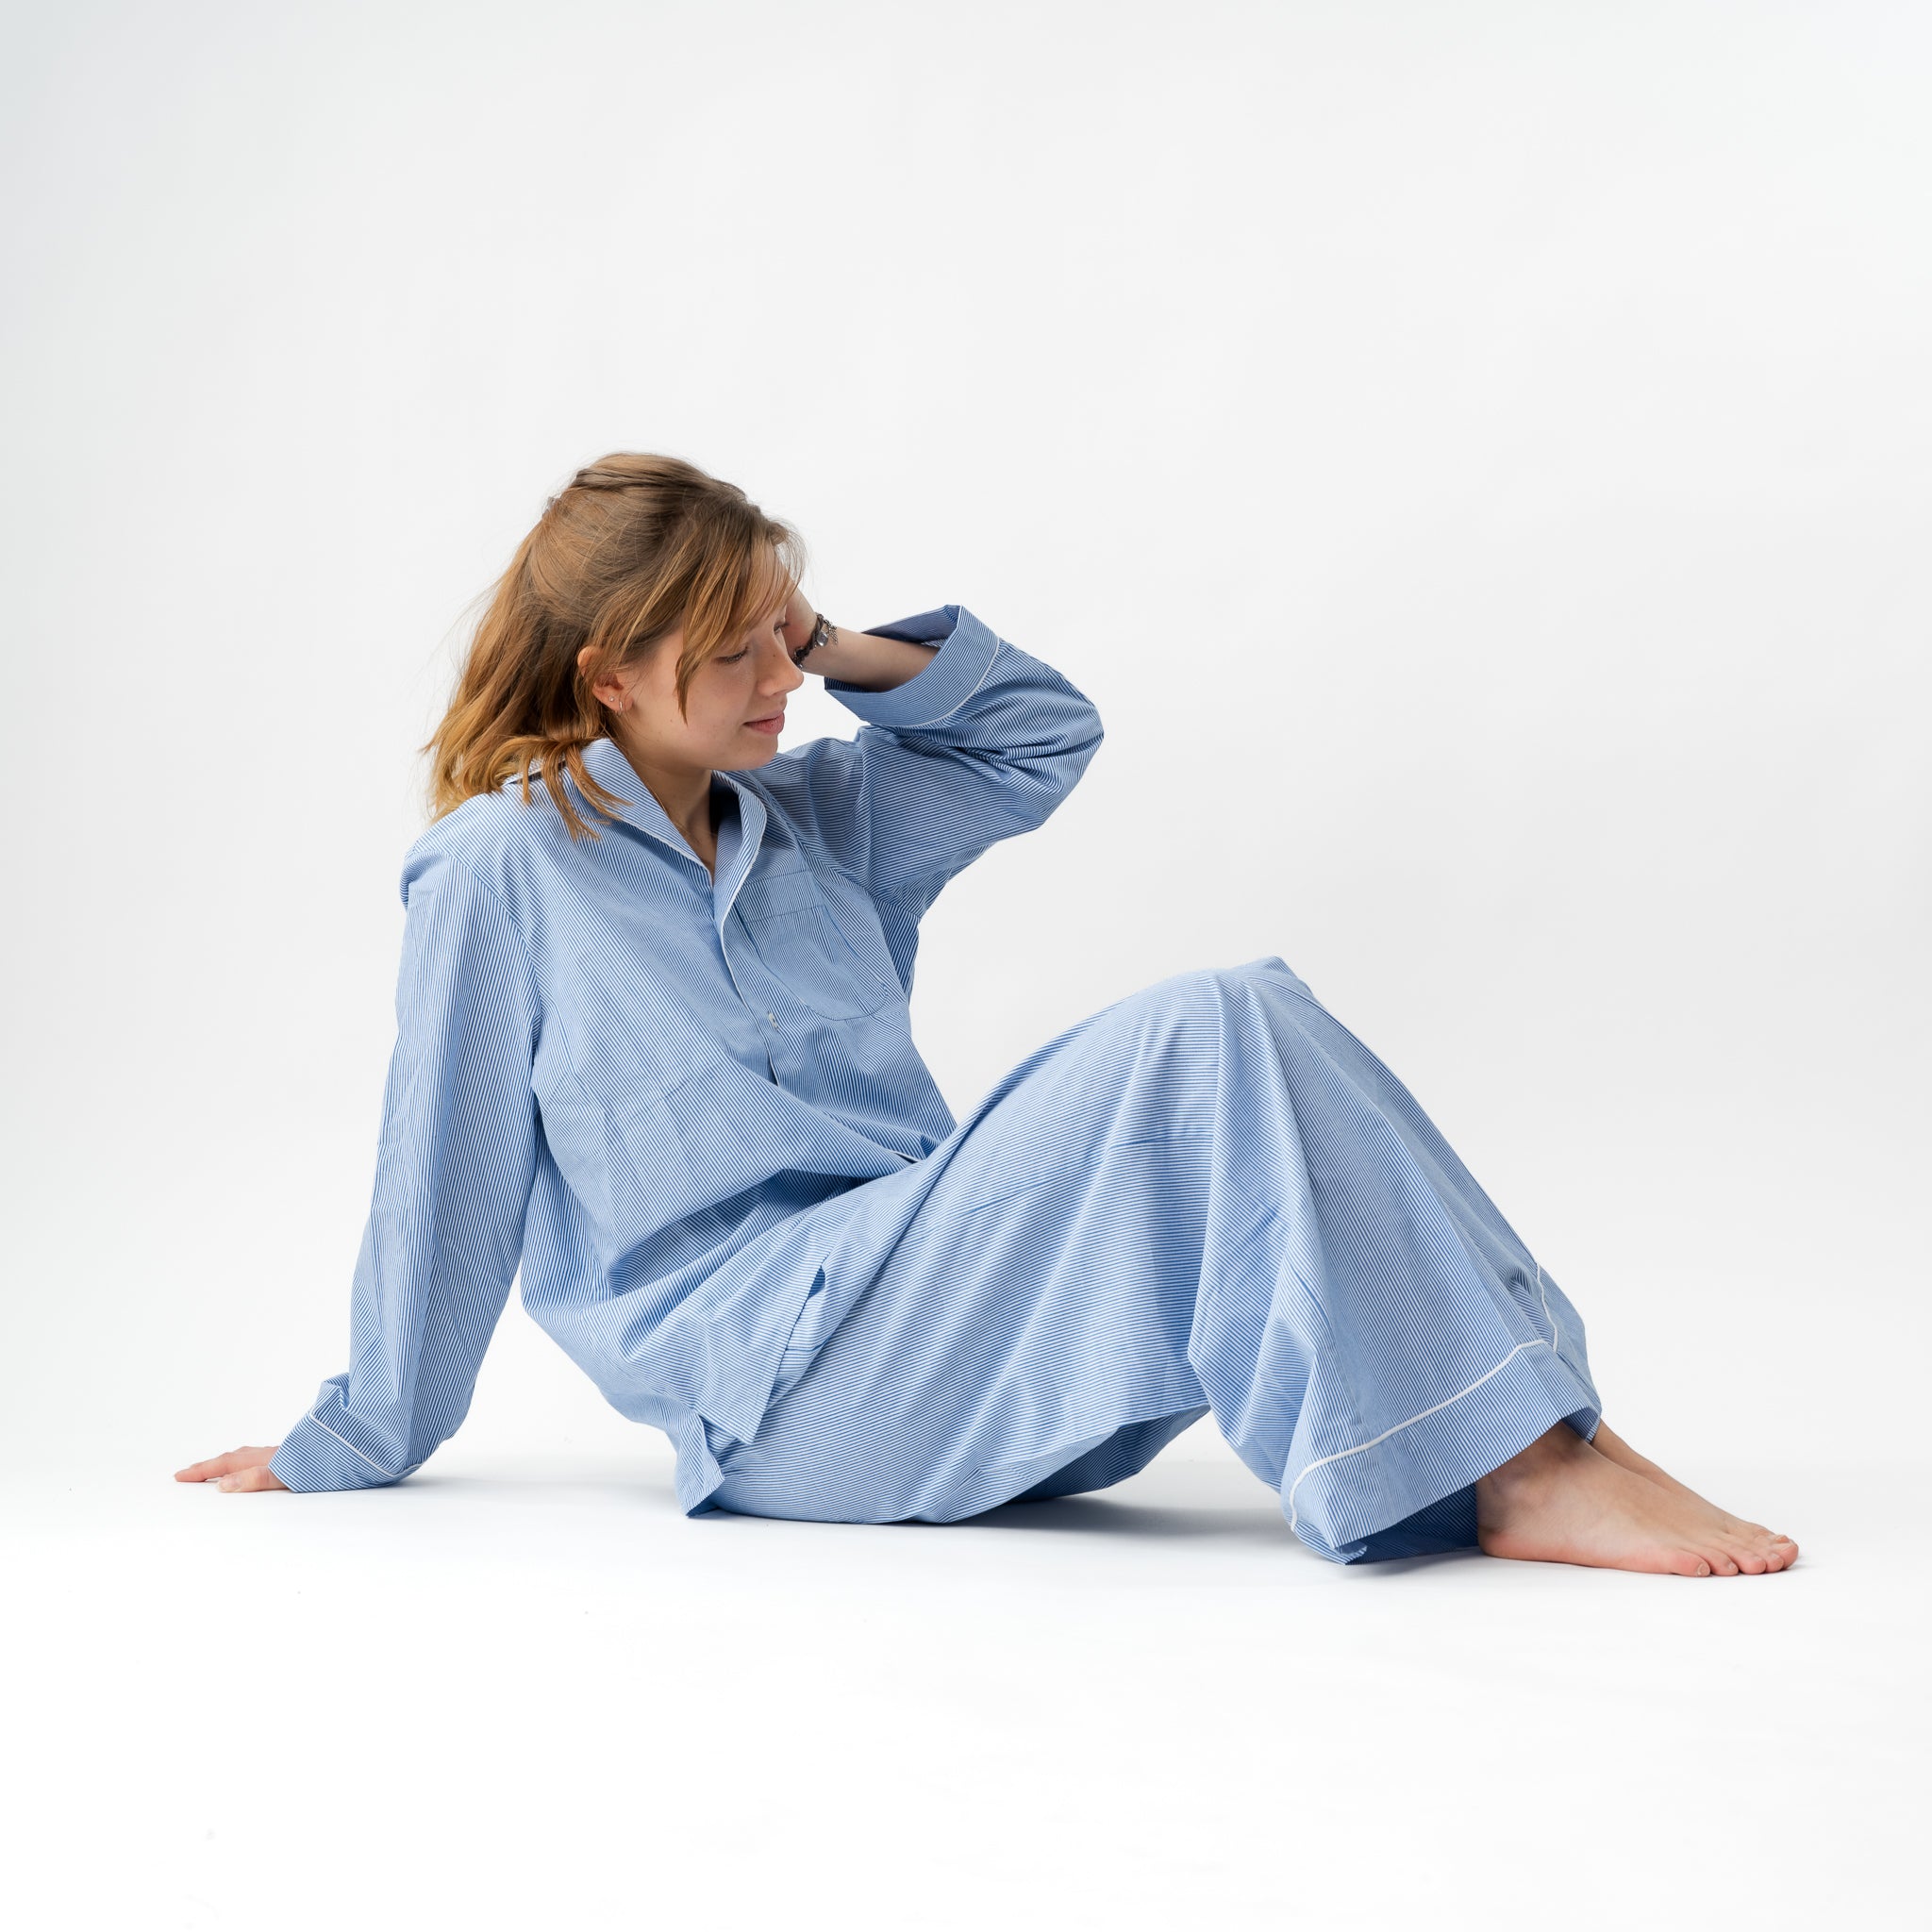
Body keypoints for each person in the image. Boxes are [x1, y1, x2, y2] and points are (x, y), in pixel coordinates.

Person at [175, 452, 1797, 1577]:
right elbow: (440, 1179)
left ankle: (1531, 1435)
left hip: (951, 1324)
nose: (781, 681)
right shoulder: (498, 871)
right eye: (736, 654)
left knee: (1255, 1023)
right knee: (1214, 1022)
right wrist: (359, 1435)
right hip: (793, 1399)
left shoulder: (817, 819)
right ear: (609, 674)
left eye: (782, 642)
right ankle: (1518, 1464)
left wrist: (821, 629)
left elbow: (1040, 739)